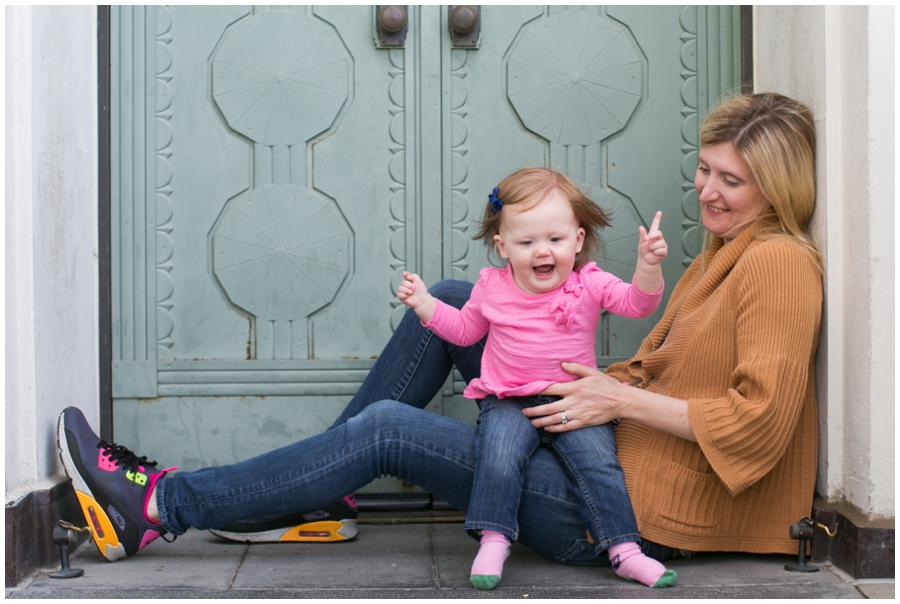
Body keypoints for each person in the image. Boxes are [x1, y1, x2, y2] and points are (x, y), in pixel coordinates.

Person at [57, 92, 822, 584]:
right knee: (455, 301)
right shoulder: (730, 251)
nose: (707, 190)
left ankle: (158, 507)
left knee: (389, 428)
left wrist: (612, 395)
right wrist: (600, 388)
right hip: (599, 436)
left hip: (619, 504)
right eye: (704, 170)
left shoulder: (781, 265)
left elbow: (758, 425)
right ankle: (320, 488)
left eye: (731, 181)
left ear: (777, 189)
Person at [396, 167, 673, 589]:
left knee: (599, 466)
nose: (542, 252)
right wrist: (425, 305)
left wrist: (648, 266)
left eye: (555, 240)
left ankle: (624, 550)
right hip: (508, 399)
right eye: (527, 242)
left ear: (577, 240)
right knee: (498, 456)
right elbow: (465, 332)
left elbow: (637, 304)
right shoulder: (492, 286)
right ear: (503, 247)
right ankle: (494, 537)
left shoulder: (589, 283)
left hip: (575, 401)